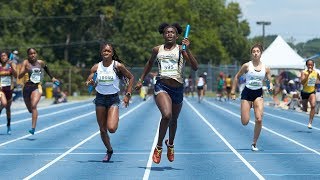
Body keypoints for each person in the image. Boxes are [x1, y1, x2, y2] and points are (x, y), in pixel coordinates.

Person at [135, 22, 198, 164]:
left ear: (177, 35)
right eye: (167, 32)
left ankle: (170, 144)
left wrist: (187, 50)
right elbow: (149, 64)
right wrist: (141, 80)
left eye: (172, 32)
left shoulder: (182, 50)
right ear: (163, 35)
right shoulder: (157, 50)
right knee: (167, 115)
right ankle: (158, 147)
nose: (169, 34)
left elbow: (195, 67)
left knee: (174, 120)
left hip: (178, 88)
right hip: (162, 86)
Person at [85, 42, 134, 162]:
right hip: (100, 99)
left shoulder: (118, 66)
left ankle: (114, 116)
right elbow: (89, 82)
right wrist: (89, 83)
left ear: (112, 53)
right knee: (102, 129)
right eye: (104, 51)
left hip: (113, 99)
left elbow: (131, 77)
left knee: (111, 128)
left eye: (108, 51)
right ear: (101, 53)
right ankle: (109, 150)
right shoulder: (96, 67)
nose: (106, 53)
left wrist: (128, 94)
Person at [231, 43, 273, 151]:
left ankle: (254, 143)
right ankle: (245, 109)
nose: (255, 53)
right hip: (247, 93)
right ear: (251, 54)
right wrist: (232, 91)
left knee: (259, 119)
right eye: (253, 51)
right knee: (245, 122)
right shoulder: (246, 66)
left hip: (258, 94)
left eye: (257, 51)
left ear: (261, 53)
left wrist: (270, 87)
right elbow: (237, 76)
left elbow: (268, 80)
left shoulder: (266, 68)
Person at [18, 48, 59, 135]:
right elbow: (19, 76)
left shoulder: (40, 63)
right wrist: (25, 70)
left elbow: (46, 68)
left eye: (34, 53)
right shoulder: (25, 63)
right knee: (30, 110)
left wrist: (52, 78)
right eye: (30, 54)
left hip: (36, 87)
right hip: (26, 88)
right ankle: (33, 114)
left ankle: (33, 128)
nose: (32, 55)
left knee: (34, 106)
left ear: (36, 54)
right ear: (28, 55)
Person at [0, 51, 18, 134]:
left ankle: (8, 125)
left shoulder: (11, 65)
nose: (3, 57)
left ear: (7, 57)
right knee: (4, 103)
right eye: (2, 56)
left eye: (5, 56)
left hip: (9, 89)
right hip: (1, 89)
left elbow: (15, 75)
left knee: (8, 109)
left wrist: (11, 65)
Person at [300, 59, 320, 129]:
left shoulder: (316, 73)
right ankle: (302, 105)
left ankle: (310, 123)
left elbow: (318, 80)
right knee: (304, 109)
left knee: (313, 105)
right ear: (306, 65)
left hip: (312, 92)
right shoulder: (304, 72)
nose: (310, 66)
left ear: (313, 65)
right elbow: (302, 82)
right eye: (309, 65)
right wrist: (307, 75)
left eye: (311, 65)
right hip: (304, 92)